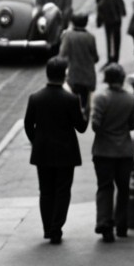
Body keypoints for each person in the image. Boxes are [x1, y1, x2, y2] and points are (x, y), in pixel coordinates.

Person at [23, 56, 87, 244]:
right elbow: (81, 127)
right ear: (64, 75)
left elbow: (28, 125)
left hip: (43, 152)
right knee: (62, 190)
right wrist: (86, 109)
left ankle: (47, 227)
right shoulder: (71, 99)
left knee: (46, 190)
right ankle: (56, 227)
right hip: (66, 153)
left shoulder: (35, 98)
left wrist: (37, 141)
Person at [90, 63, 134, 241]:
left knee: (105, 186)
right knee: (124, 188)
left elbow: (95, 124)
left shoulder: (101, 98)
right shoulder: (130, 99)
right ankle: (122, 224)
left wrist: (105, 130)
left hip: (103, 150)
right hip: (124, 150)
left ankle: (105, 222)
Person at [60, 13, 100, 116]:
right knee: (85, 97)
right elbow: (95, 57)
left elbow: (63, 53)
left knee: (74, 93)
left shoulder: (68, 36)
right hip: (87, 73)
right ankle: (83, 112)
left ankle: (76, 113)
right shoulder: (90, 37)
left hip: (74, 72)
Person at [96, 0, 126, 65]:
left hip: (108, 22)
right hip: (117, 22)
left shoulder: (105, 0)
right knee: (117, 40)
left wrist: (99, 22)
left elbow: (100, 9)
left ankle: (110, 58)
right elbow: (123, 12)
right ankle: (116, 58)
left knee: (109, 40)